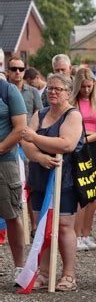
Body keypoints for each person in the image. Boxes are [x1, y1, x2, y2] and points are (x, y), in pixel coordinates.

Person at [22, 73, 83, 291]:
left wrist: (36, 138)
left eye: (58, 89)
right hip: (39, 175)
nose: (53, 92)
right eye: (50, 88)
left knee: (64, 226)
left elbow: (66, 144)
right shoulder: (41, 113)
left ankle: (68, 274)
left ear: (68, 92)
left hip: (63, 178)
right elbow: (25, 142)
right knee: (42, 227)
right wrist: (38, 156)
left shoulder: (73, 116)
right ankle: (45, 273)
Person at [70, 68, 96, 251]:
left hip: (93, 147)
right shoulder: (72, 103)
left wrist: (85, 138)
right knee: (80, 192)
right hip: (77, 149)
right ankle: (75, 235)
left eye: (89, 86)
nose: (86, 90)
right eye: (83, 86)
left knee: (93, 195)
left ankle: (86, 233)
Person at [0, 76, 27, 284]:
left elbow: (20, 128)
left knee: (11, 214)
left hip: (5, 163)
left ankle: (20, 267)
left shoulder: (8, 91)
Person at [6, 57, 43, 124]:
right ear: (8, 71)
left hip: (28, 132)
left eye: (21, 69)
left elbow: (39, 114)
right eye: (14, 69)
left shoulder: (33, 91)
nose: (17, 72)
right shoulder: (2, 91)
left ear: (24, 71)